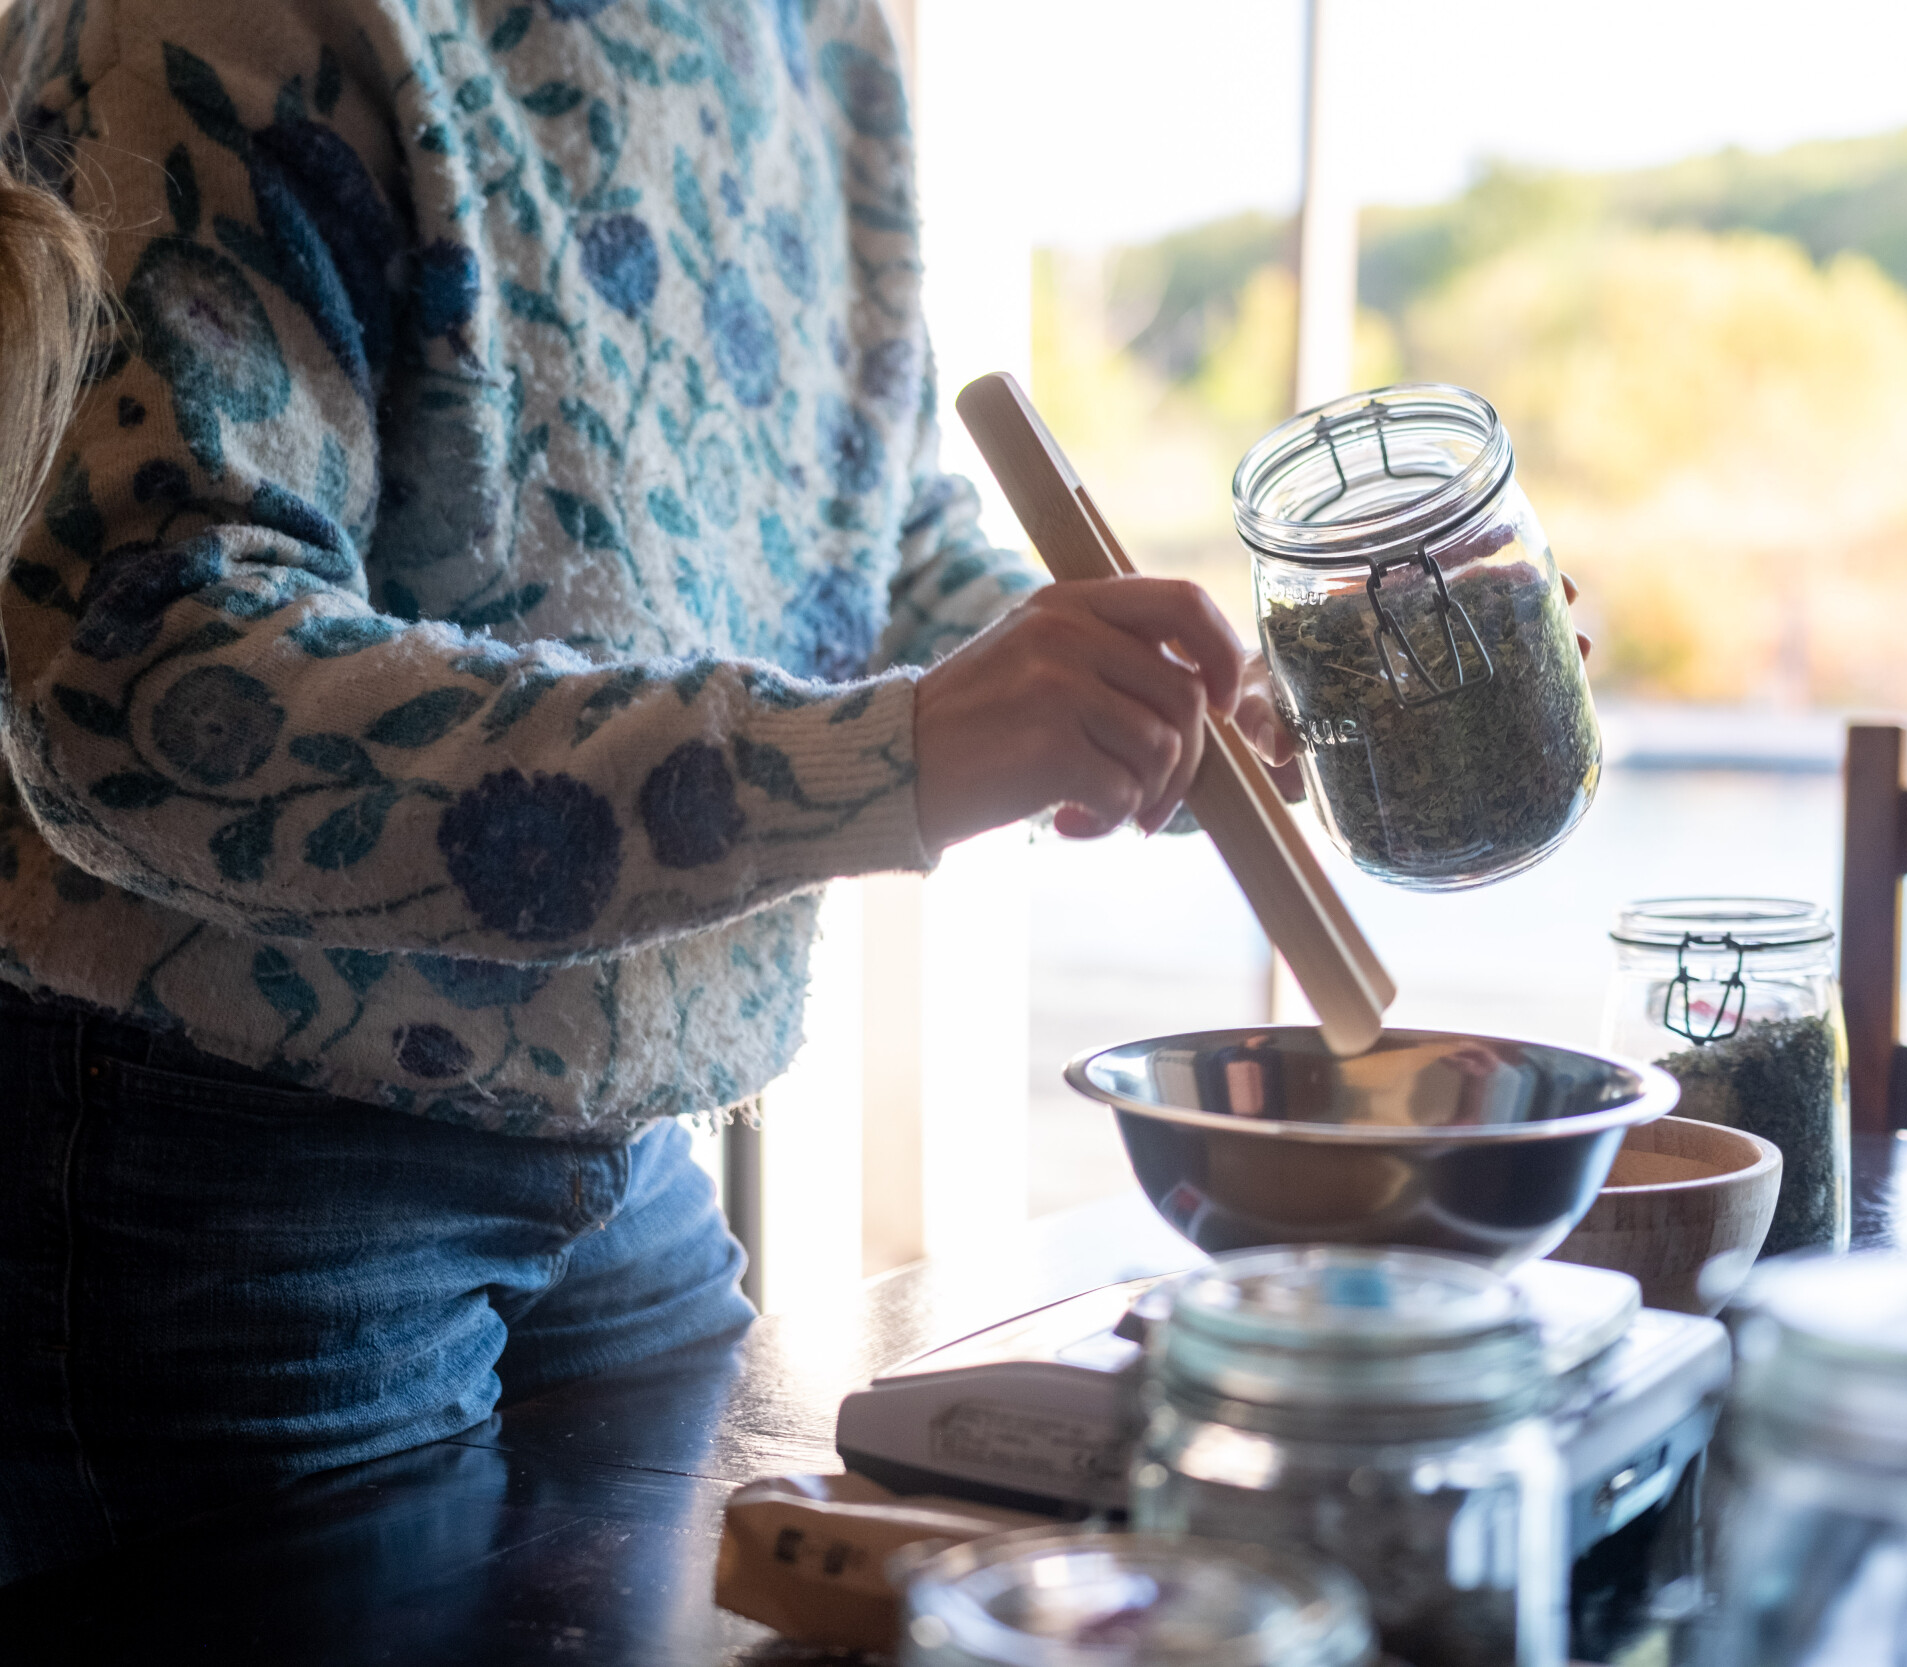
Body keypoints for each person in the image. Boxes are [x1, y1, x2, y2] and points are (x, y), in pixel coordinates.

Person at [0, 0, 1282, 1586]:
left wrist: (1146, 700)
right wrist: (900, 755)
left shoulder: (826, 41)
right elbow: (144, 682)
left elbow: (874, 535)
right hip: (234, 1144)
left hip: (629, 1142)